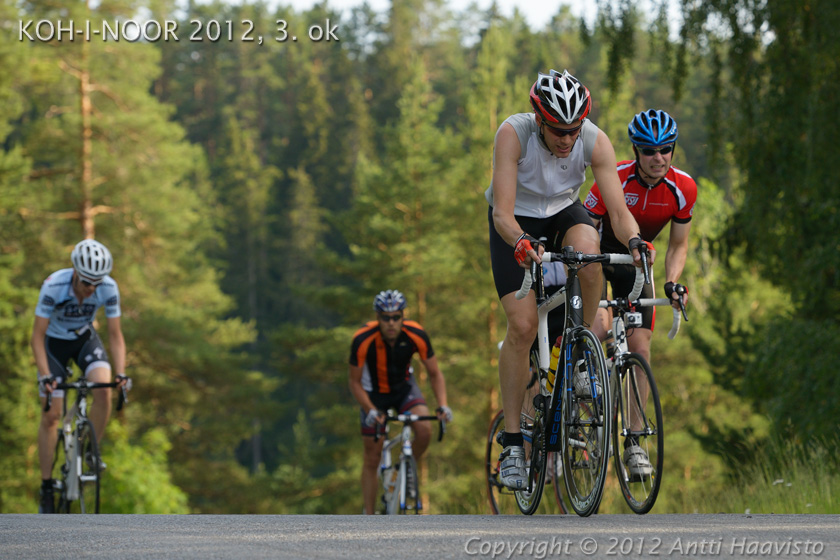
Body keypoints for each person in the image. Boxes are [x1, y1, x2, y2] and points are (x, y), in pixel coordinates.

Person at [486, 69, 651, 490]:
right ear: (538, 119)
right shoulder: (513, 134)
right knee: (522, 326)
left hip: (562, 211)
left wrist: (634, 240)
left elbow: (616, 210)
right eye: (558, 130)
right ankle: (511, 447)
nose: (566, 139)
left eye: (573, 130)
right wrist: (521, 243)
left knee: (590, 254)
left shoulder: (595, 140)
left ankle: (578, 348)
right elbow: (502, 213)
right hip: (516, 220)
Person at [585, 108, 696, 477]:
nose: (658, 158)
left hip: (637, 264)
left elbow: (678, 245)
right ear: (636, 150)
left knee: (641, 348)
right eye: (649, 151)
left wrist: (671, 280)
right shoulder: (613, 179)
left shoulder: (683, 189)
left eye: (666, 149)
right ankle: (578, 388)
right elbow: (586, 229)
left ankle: (634, 442)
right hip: (599, 258)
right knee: (597, 328)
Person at [32, 239, 129, 513]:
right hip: (53, 345)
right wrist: (45, 376)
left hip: (85, 339)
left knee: (103, 390)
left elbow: (115, 335)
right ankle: (47, 486)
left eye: (97, 283)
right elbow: (37, 337)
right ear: (75, 273)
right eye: (87, 282)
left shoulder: (108, 288)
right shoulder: (53, 286)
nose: (92, 289)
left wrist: (121, 373)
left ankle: (89, 451)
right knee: (51, 417)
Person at [348, 290, 452, 515]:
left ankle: (403, 470)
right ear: (378, 317)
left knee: (424, 429)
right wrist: (371, 410)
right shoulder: (362, 339)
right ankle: (368, 513)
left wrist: (443, 405)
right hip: (373, 394)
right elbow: (354, 383)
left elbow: (434, 373)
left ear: (403, 316)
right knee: (372, 455)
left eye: (396, 317)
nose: (391, 323)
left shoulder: (416, 333)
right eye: (386, 318)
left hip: (404, 388)